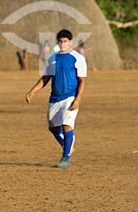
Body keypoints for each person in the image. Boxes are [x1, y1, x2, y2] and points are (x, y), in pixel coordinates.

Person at [25, 29, 87, 168]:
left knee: (66, 125)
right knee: (53, 128)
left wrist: (78, 99)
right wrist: (32, 91)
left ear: (70, 42)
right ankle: (68, 146)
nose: (62, 44)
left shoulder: (77, 58)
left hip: (70, 97)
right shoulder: (53, 58)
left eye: (65, 41)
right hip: (55, 98)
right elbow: (46, 77)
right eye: (60, 41)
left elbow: (82, 80)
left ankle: (65, 158)